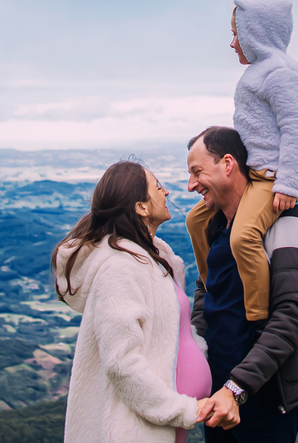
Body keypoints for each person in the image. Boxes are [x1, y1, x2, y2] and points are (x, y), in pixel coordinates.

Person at [187, 127, 298, 441]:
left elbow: (290, 317)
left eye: (197, 172)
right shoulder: (214, 225)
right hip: (219, 391)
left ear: (228, 164)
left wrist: (236, 387)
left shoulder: (289, 222)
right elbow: (206, 288)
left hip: (262, 394)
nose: (191, 185)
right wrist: (199, 346)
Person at [53, 160, 212, 443]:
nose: (166, 193)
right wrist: (183, 409)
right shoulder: (120, 268)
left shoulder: (159, 259)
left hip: (167, 424)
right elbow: (122, 363)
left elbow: (177, 333)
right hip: (135, 429)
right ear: (141, 207)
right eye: (158, 187)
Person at [186, 0, 298, 323]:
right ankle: (211, 285)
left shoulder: (282, 74)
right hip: (254, 172)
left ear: (257, 32)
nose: (232, 44)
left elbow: (297, 129)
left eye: (237, 33)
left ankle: (256, 313)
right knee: (196, 221)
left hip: (273, 177)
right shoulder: (259, 73)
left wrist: (288, 183)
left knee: (243, 237)